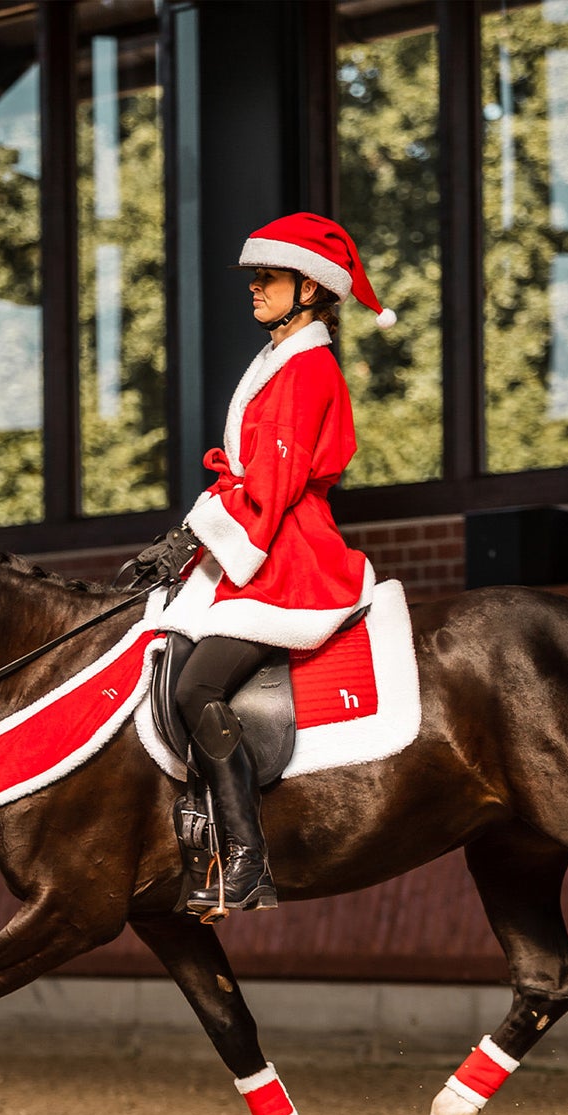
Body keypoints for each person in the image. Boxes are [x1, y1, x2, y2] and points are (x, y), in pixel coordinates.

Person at [132, 212, 396, 919]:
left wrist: (195, 538)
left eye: (268, 277)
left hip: (289, 553)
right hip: (256, 535)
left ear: (310, 288)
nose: (254, 287)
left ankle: (247, 862)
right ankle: (202, 841)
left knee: (196, 689)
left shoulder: (308, 368)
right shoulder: (281, 358)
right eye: (255, 276)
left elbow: (272, 489)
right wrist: (183, 537)